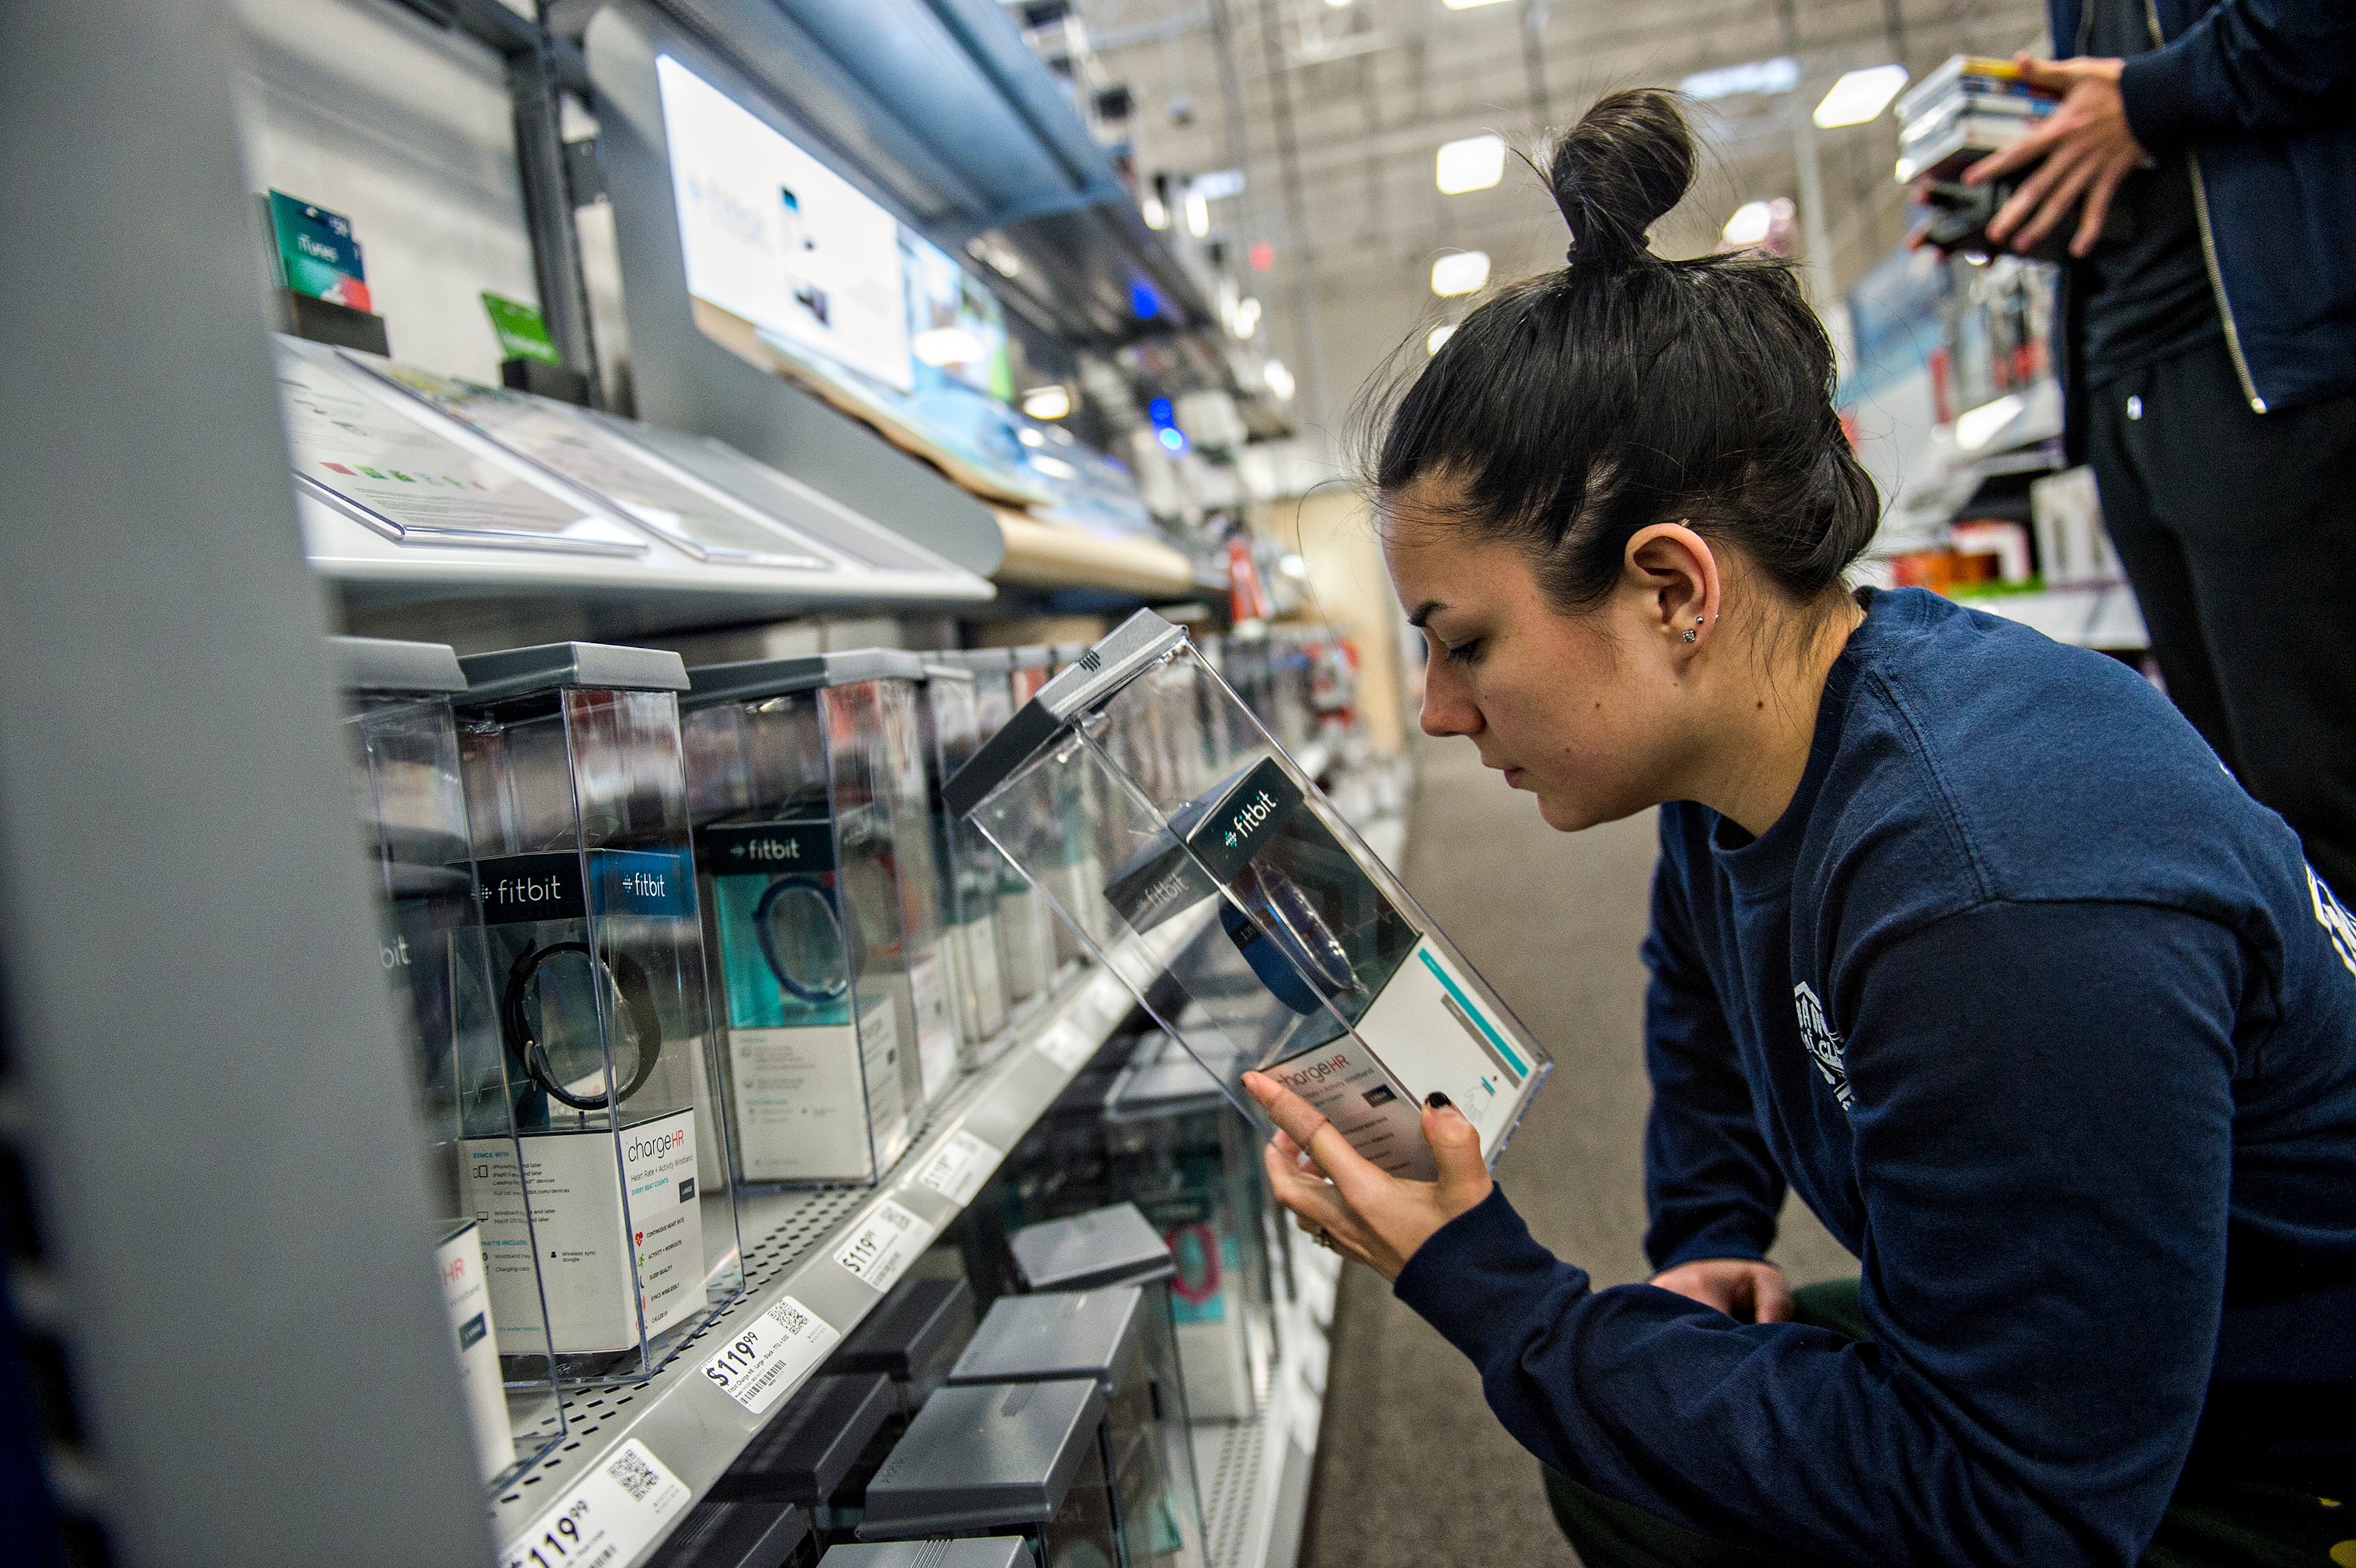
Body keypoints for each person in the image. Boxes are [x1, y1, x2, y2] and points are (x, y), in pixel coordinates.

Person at [1243, 88, 2356, 1568]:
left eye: (1465, 644)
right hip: (2130, 1375)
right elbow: (1702, 985)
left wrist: (1488, 1287)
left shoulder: (1997, 902)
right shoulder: (1775, 746)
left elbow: (2020, 1516)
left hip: (2274, 1451)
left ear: (1671, 589)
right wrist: (1714, 1236)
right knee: (1630, 1451)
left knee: (1636, 1433)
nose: (1440, 712)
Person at [1959, 2, 2356, 904]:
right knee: (2239, 808)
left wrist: (2149, 98)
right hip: (2126, 377)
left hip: (2267, 368)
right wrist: (2024, 190)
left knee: (2317, 791)